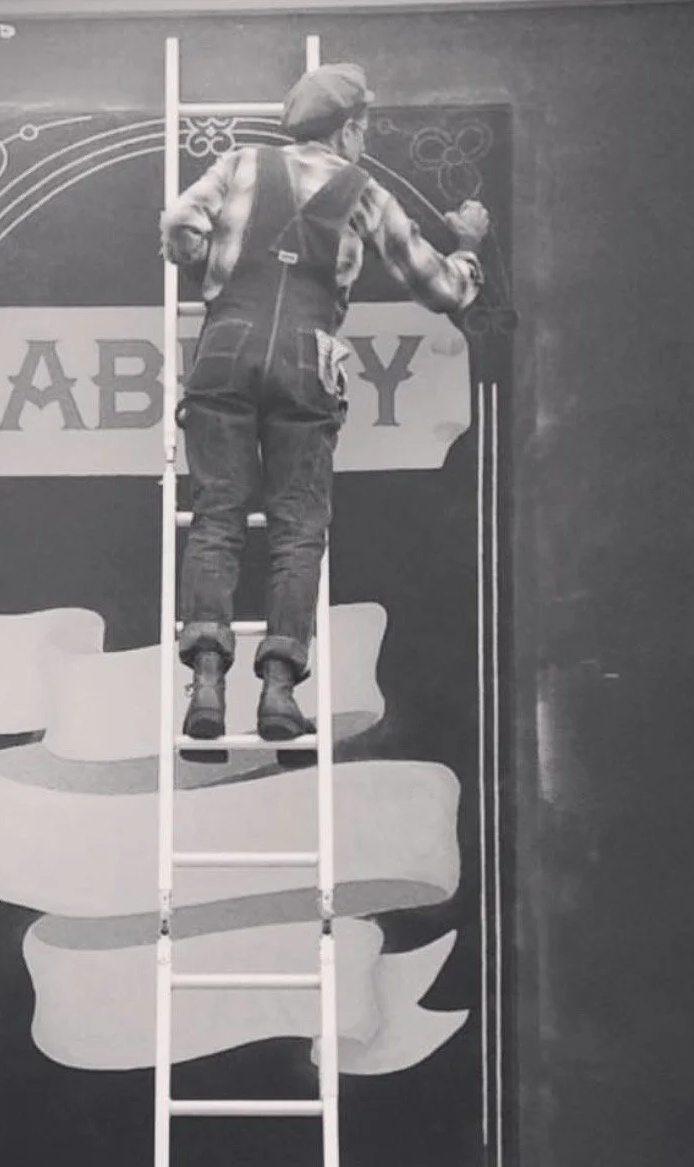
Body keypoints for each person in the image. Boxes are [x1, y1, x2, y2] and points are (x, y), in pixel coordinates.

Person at [161, 62, 490, 742]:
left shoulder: (240, 162)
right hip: (307, 362)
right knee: (296, 529)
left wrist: (209, 267)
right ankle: (279, 690)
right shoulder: (361, 190)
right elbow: (442, 290)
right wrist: (468, 247)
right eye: (363, 129)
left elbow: (178, 225)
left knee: (217, 517)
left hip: (224, 347)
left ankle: (206, 683)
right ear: (347, 130)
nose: (364, 141)